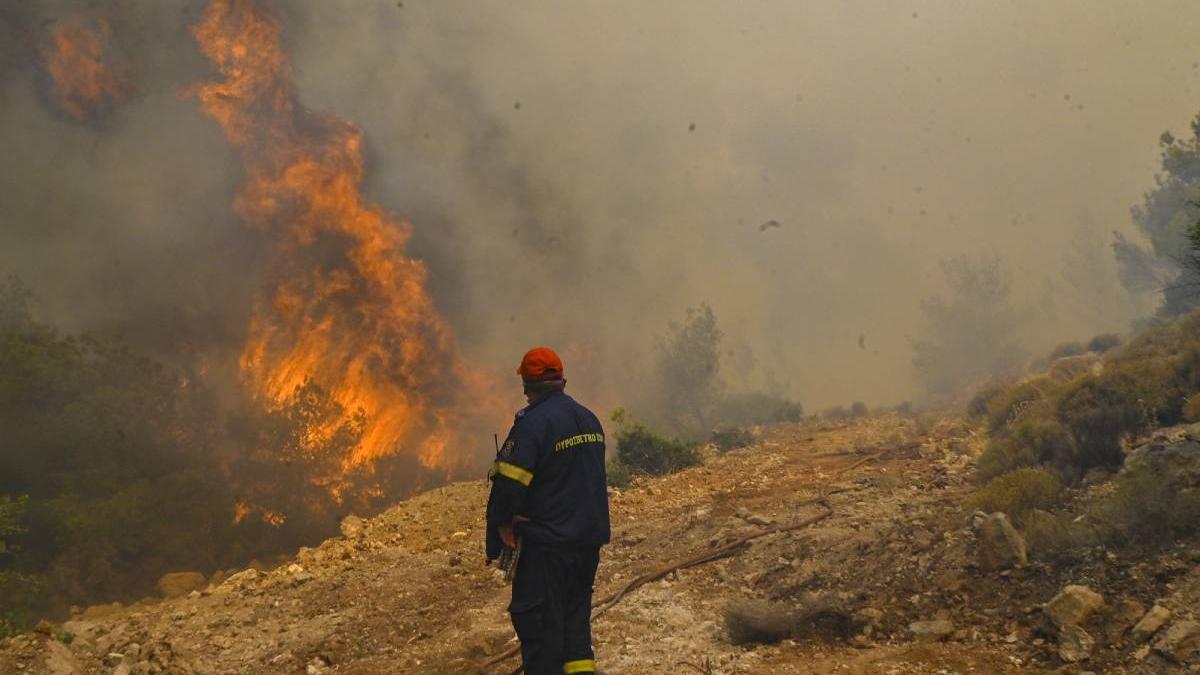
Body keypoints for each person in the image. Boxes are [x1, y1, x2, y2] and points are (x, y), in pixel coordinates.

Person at [486, 346, 611, 675]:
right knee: (575, 629)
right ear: (561, 380)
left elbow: (509, 484)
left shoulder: (533, 425)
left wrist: (502, 524)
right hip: (586, 544)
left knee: (540, 628)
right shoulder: (589, 419)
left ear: (528, 385)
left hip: (548, 547)